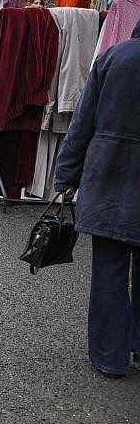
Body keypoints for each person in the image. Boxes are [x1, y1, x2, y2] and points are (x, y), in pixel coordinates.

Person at [55, 19, 140, 378]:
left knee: (109, 270)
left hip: (109, 174)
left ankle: (110, 355)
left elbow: (82, 123)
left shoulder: (112, 58)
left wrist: (67, 175)